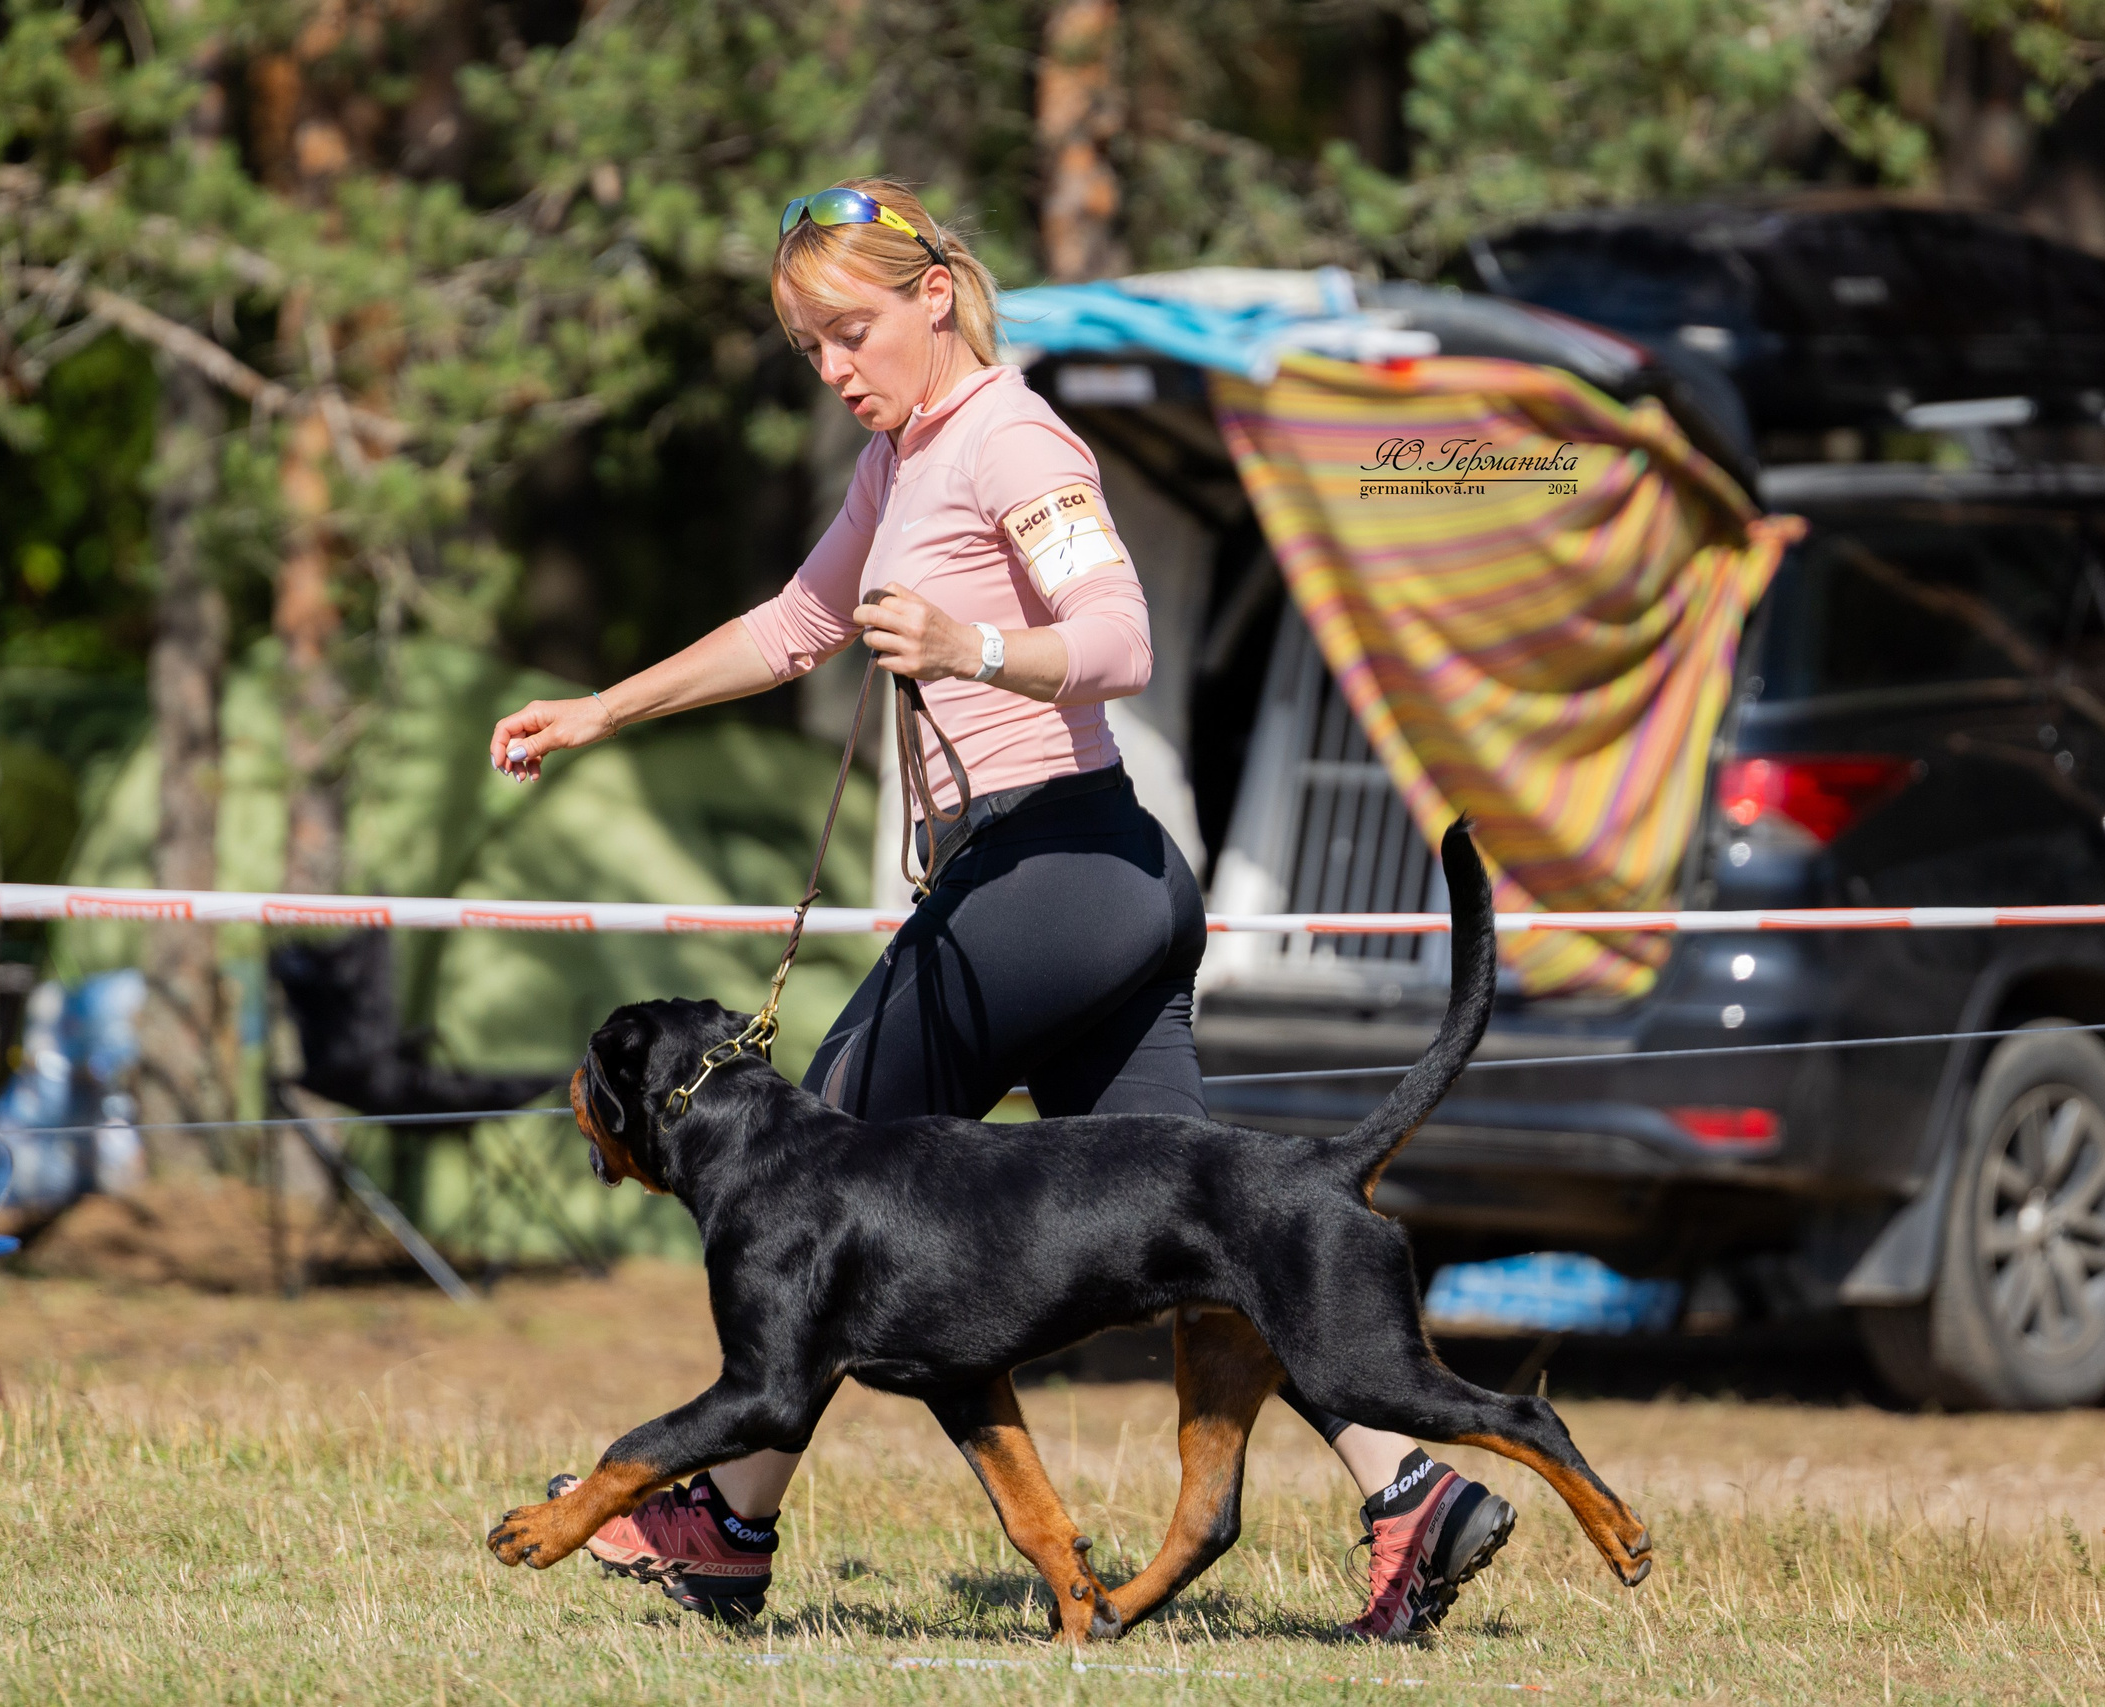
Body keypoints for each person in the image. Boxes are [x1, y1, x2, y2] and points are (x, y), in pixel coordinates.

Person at [486, 178, 1512, 1640]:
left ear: (933, 292)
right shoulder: (903, 460)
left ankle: (725, 1522)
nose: (836, 369)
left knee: (812, 1170)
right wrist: (599, 711)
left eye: (850, 331)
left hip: (1050, 873)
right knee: (1224, 1227)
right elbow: (794, 628)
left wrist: (970, 643)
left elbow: (1120, 640)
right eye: (806, 349)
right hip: (1108, 892)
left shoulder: (1011, 435)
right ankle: (1409, 1486)